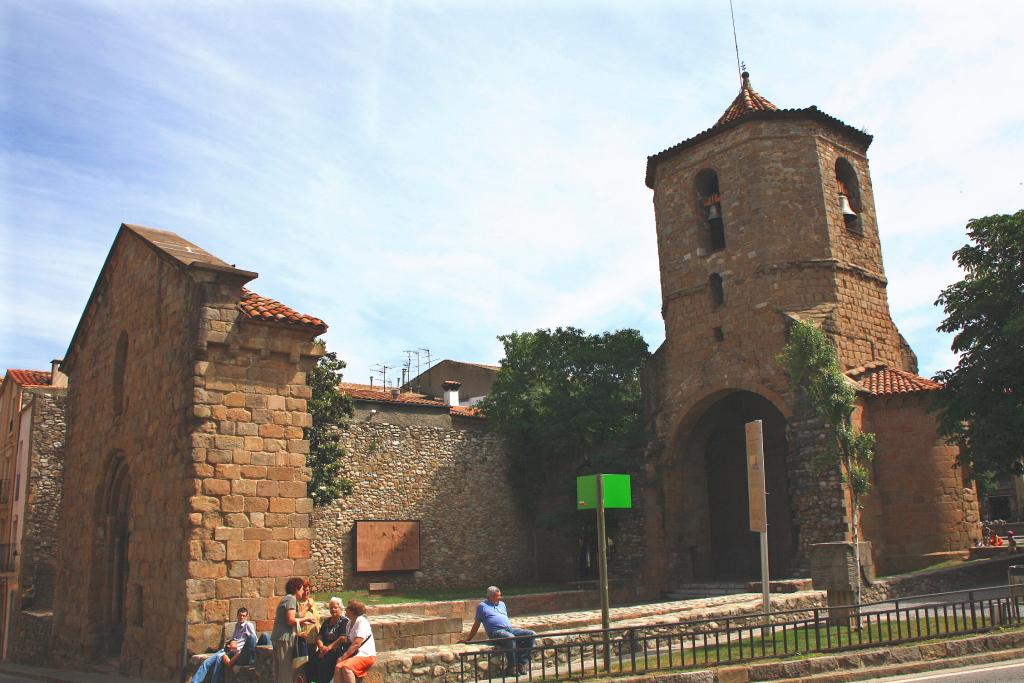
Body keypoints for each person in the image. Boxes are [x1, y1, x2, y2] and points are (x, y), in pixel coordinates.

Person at [460, 586, 536, 676]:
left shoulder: (502, 604)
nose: (499, 597)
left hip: (509, 629)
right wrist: (468, 639)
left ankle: (522, 663)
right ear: (490, 596)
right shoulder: (482, 606)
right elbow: (476, 624)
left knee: (531, 634)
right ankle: (512, 667)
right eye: (497, 596)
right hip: (495, 632)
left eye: (499, 595)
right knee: (510, 638)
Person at [192, 607, 257, 683]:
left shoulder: (248, 625)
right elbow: (235, 639)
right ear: (237, 616)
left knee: (219, 659)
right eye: (240, 615)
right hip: (227, 649)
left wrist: (238, 650)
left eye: (243, 616)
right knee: (206, 663)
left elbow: (254, 639)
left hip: (233, 652)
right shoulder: (237, 625)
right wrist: (229, 643)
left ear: (246, 617)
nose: (241, 617)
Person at [272, 577, 318, 683]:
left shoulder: (288, 598)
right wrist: (305, 618)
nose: (303, 591)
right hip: (285, 639)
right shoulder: (291, 599)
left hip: (281, 639)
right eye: (302, 588)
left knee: (281, 671)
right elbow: (290, 620)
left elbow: (295, 616)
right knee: (286, 671)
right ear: (296, 589)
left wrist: (303, 620)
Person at [333, 600, 375, 683]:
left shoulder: (362, 622)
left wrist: (343, 657)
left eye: (348, 608)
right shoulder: (349, 624)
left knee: (347, 668)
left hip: (366, 655)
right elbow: (349, 641)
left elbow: (356, 643)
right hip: (355, 654)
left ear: (353, 611)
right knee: (338, 667)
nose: (345, 609)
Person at [313, 597, 349, 683]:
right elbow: (319, 636)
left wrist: (328, 649)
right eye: (331, 607)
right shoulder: (327, 621)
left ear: (340, 608)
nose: (333, 609)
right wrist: (321, 647)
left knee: (326, 662)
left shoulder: (344, 621)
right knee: (313, 660)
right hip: (325, 650)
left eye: (335, 607)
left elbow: (342, 638)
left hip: (337, 650)